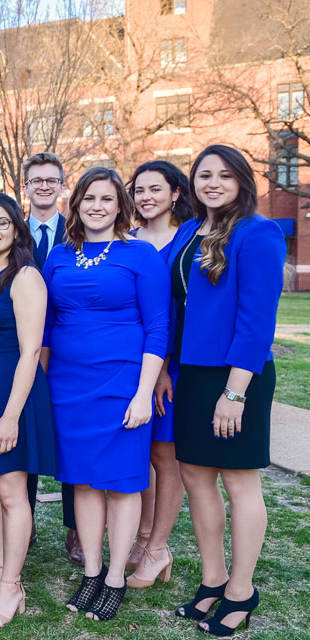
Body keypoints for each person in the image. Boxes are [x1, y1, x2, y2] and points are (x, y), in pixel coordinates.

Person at [42, 167, 169, 622]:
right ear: (75, 205)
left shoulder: (142, 255)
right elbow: (48, 325)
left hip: (122, 383)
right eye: (88, 198)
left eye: (107, 199)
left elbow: (158, 327)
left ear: (121, 206)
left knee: (121, 481)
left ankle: (116, 576)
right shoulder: (58, 256)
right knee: (82, 481)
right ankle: (92, 571)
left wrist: (142, 392)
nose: (97, 206)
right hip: (67, 386)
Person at [168, 145, 285, 636]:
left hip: (238, 375)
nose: (212, 183)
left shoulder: (258, 232)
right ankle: (213, 579)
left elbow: (257, 320)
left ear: (241, 180)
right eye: (203, 175)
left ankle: (241, 589)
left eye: (223, 175)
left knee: (239, 481)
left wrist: (234, 392)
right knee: (194, 474)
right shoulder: (191, 231)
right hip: (192, 373)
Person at [0, 193, 57, 628]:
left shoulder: (25, 278)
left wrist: (10, 414)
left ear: (17, 229)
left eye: (1, 223)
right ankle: (0, 573)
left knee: (11, 493)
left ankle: (12, 586)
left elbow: (30, 351)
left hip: (11, 390)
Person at [124, 160, 193, 589]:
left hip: (172, 361)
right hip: (135, 361)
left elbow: (175, 310)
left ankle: (156, 547)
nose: (146, 197)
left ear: (174, 194)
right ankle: (143, 535)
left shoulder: (186, 238)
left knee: (165, 455)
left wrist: (167, 364)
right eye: (140, 190)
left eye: (156, 189)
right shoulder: (128, 240)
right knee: (142, 450)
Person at [22, 151, 77, 564]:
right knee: (22, 439)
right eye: (35, 180)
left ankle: (76, 530)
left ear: (62, 185)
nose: (43, 186)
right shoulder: (10, 230)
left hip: (68, 352)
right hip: (21, 353)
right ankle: (23, 523)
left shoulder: (77, 233)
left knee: (71, 442)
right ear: (25, 186)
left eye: (50, 180)